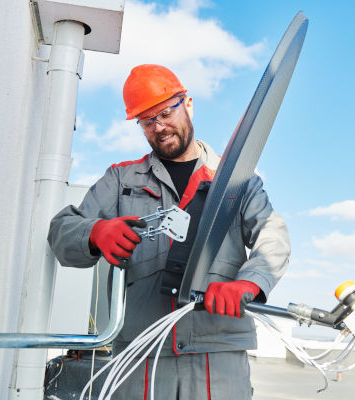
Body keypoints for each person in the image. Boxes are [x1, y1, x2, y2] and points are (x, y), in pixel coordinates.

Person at [48, 64, 290, 399]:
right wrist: (95, 232)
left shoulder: (236, 180)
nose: (159, 127)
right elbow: (61, 229)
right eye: (147, 121)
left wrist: (249, 282)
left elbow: (272, 235)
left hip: (216, 350)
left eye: (165, 112)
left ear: (187, 103)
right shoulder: (122, 180)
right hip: (141, 351)